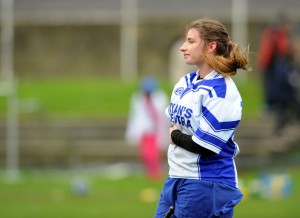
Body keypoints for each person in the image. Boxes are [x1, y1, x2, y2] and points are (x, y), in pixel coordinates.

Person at [154, 18, 251, 218]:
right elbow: (175, 123)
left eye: (190, 41)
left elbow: (205, 146)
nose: (183, 47)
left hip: (207, 182)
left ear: (211, 46)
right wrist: (177, 134)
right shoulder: (185, 82)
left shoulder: (222, 92)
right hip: (176, 177)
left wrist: (176, 137)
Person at [257, 15, 300, 136]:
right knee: (278, 93)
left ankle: (283, 119)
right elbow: (278, 50)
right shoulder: (275, 34)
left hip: (276, 70)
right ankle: (272, 109)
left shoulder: (278, 35)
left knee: (286, 97)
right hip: (272, 67)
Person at [125, 76, 169, 181]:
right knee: (145, 153)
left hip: (155, 130)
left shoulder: (160, 98)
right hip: (144, 130)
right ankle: (149, 172)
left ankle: (155, 173)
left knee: (153, 153)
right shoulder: (138, 98)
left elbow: (161, 116)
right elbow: (135, 116)